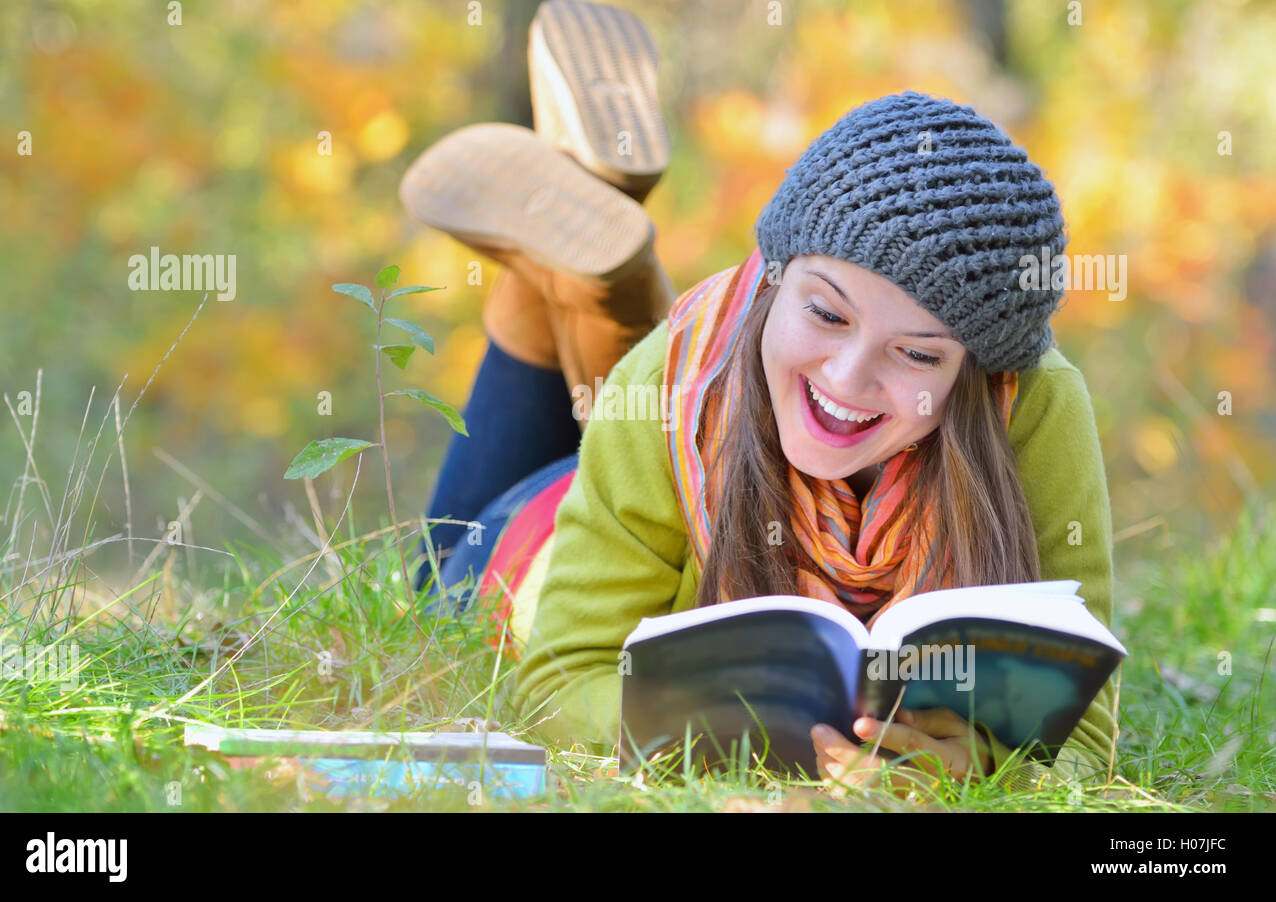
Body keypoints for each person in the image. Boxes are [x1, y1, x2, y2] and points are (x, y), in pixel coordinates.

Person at [400, 0, 1117, 798]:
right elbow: (556, 680)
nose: (847, 379)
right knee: (433, 575)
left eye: (916, 353)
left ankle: (597, 258)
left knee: (694, 387)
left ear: (980, 373)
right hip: (529, 537)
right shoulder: (672, 378)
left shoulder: (1035, 403)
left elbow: (1085, 736)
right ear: (772, 276)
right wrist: (745, 753)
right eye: (825, 311)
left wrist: (974, 768)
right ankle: (587, 285)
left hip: (667, 447)